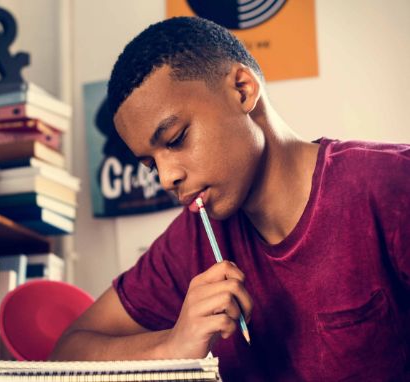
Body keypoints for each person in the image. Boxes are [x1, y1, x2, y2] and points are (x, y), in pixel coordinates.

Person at [50, 17, 409, 381]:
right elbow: (67, 354)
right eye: (149, 164)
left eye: (175, 139)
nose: (166, 177)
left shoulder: (391, 184)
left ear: (242, 90)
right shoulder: (191, 240)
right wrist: (173, 347)